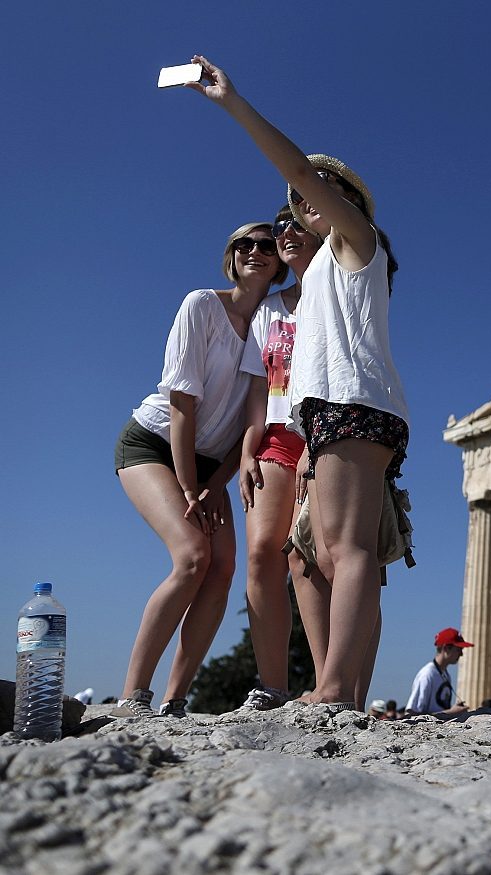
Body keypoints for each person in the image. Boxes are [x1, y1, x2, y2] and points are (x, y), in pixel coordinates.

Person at [189, 57, 409, 710]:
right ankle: (337, 682)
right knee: (312, 555)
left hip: (354, 404)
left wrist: (235, 104)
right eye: (295, 205)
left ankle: (337, 688)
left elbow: (299, 171)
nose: (301, 203)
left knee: (346, 549)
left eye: (315, 194)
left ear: (343, 199)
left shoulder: (357, 241)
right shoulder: (316, 278)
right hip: (332, 413)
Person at [111, 223, 283, 719]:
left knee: (222, 568)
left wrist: (214, 483)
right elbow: (183, 402)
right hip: (155, 442)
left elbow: (251, 421)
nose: (255, 251)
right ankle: (132, 696)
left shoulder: (270, 324)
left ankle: (173, 700)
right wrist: (190, 485)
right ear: (230, 256)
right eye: (244, 244)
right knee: (191, 556)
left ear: (277, 262)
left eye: (266, 246)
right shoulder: (201, 305)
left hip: (212, 464)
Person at [237, 206, 325, 711]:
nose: (286, 235)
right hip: (275, 435)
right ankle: (271, 686)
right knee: (260, 554)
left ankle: (329, 681)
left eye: (295, 226)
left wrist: (319, 440)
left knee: (310, 557)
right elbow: (258, 383)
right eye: (279, 230)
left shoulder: (339, 292)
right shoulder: (270, 308)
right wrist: (249, 447)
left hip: (327, 433)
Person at [406, 628, 473, 717]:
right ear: (446, 648)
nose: (461, 654)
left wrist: (454, 709)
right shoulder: (427, 674)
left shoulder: (445, 674)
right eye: (459, 649)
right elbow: (412, 715)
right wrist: (452, 712)